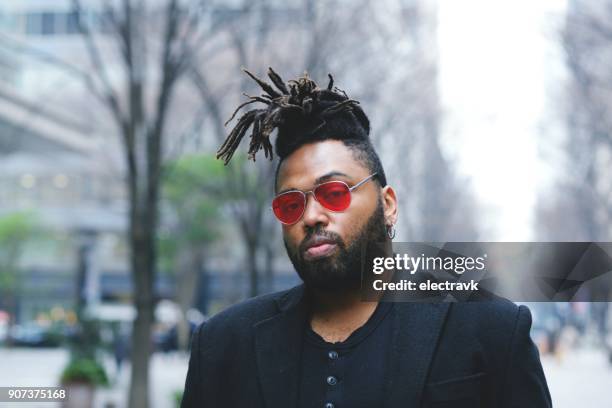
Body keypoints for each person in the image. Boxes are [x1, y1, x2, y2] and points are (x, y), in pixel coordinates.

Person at [181, 68, 552, 408]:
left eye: (334, 193)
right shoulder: (224, 345)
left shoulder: (489, 328)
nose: (311, 216)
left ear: (388, 205)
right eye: (291, 205)